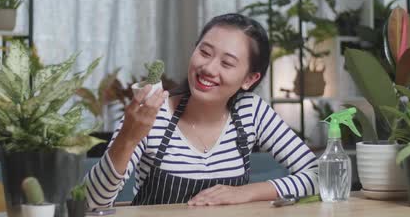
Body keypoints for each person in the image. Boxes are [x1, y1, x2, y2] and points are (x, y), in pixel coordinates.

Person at [86, 13, 318, 207]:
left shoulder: (251, 112)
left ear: (249, 79)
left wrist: (247, 192)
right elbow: (92, 202)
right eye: (204, 52)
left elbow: (318, 175)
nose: (208, 68)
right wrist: (127, 137)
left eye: (227, 63)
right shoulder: (152, 114)